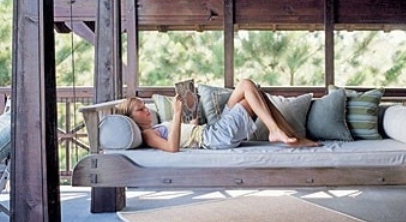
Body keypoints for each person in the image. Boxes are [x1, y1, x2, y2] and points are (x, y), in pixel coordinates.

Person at [116, 79, 319, 152]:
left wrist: (191, 109)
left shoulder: (154, 128)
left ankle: (286, 135)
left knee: (249, 88)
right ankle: (279, 132)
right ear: (131, 119)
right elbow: (172, 147)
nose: (146, 110)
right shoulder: (149, 134)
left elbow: (189, 132)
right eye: (140, 110)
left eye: (144, 106)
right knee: (252, 95)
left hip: (209, 132)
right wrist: (177, 114)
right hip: (214, 138)